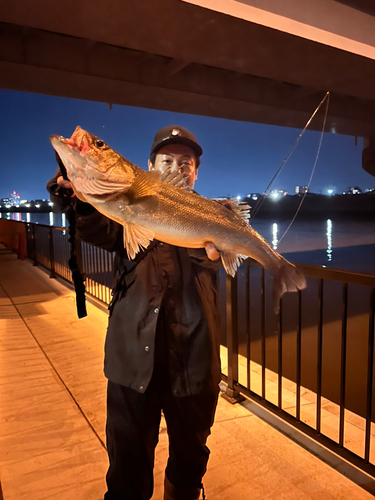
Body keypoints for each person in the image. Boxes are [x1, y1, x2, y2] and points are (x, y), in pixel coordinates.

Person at [47, 125, 223, 500]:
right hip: (132, 366)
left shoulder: (208, 217)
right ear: (148, 166)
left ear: (196, 172)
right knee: (127, 472)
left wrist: (215, 247)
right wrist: (76, 197)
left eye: (185, 162)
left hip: (193, 364)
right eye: (166, 160)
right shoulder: (125, 207)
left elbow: (216, 262)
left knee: (189, 467)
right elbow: (97, 229)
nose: (176, 167)